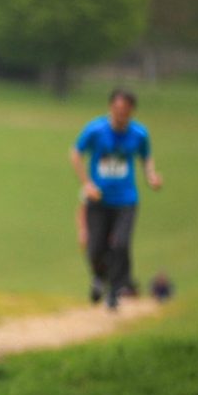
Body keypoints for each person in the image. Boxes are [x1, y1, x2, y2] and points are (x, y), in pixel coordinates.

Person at [70, 88, 161, 312]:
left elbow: (146, 156)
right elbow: (75, 153)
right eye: (117, 108)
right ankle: (99, 278)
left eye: (125, 110)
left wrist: (151, 175)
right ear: (110, 107)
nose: (120, 113)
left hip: (126, 201)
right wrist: (87, 183)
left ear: (132, 111)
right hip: (99, 200)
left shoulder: (139, 134)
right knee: (95, 248)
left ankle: (115, 291)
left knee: (120, 244)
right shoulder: (96, 130)